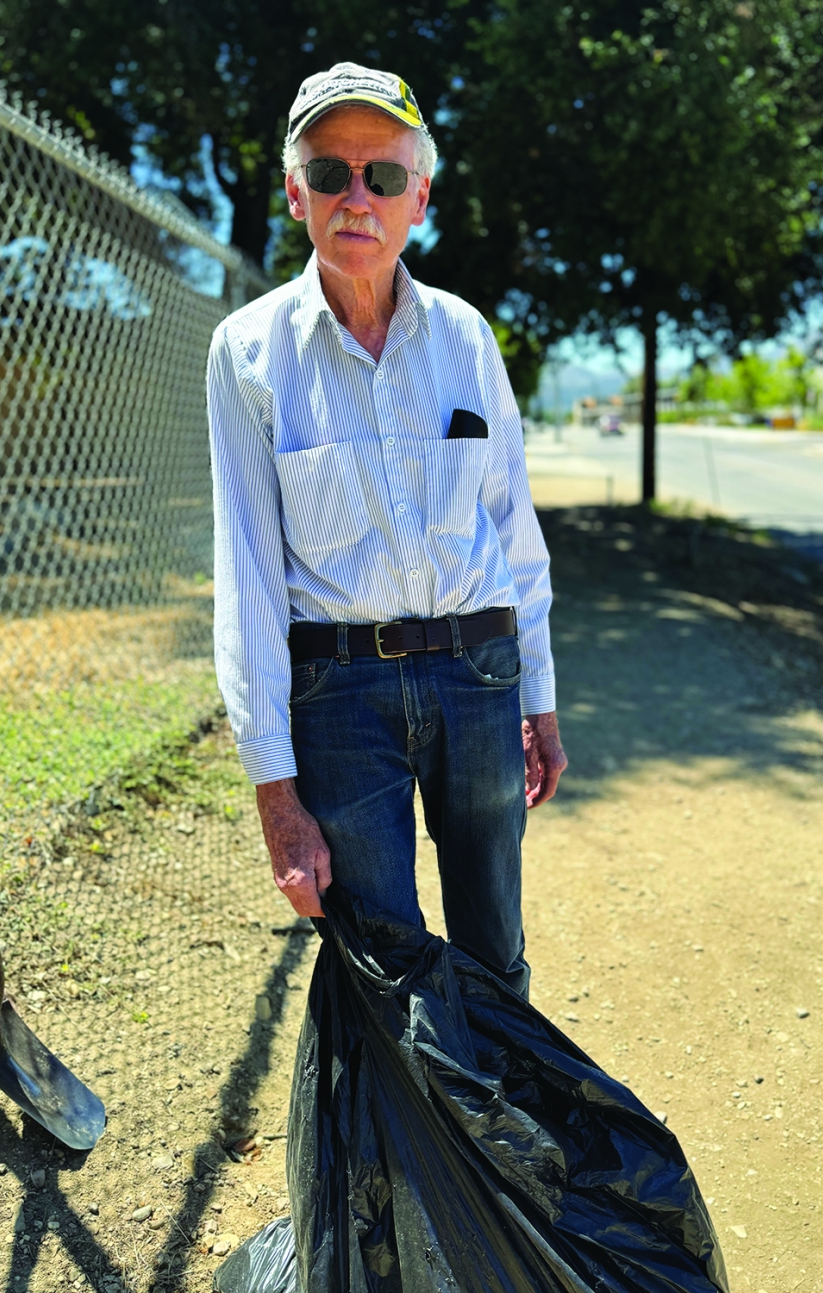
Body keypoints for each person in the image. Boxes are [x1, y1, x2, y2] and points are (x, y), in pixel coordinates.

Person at [207, 62, 566, 997]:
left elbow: (511, 529)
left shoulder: (467, 337)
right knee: (382, 966)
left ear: (422, 197)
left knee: (497, 952)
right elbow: (247, 576)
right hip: (339, 694)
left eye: (384, 176)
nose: (355, 198)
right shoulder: (247, 354)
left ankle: (503, 1144)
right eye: (330, 173)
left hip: (479, 674)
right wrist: (275, 795)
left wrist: (540, 695)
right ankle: (410, 1148)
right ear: (295, 193)